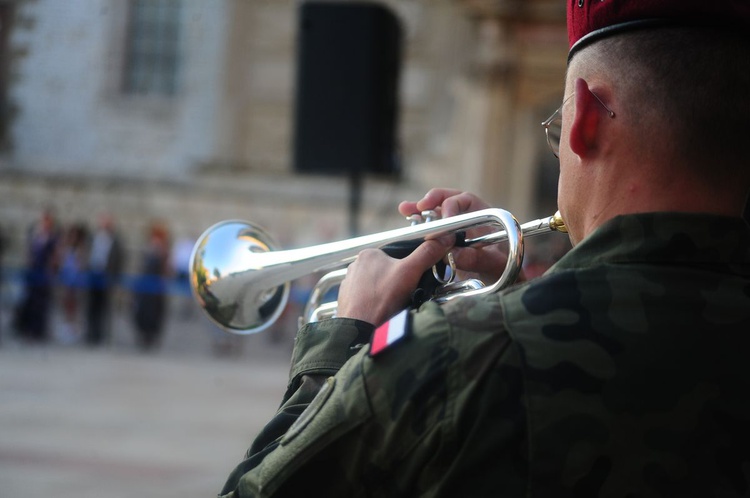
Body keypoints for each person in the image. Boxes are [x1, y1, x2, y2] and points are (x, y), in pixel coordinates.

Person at [219, 1, 750, 496]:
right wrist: (532, 296)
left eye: (556, 128)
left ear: (585, 118)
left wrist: (342, 344)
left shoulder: (453, 360)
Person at [13, 208, 60, 343]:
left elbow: (55, 258)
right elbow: (30, 253)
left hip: (44, 276)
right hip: (33, 274)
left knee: (41, 306)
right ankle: (27, 329)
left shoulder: (53, 238)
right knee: (30, 303)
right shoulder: (35, 236)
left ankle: (38, 331)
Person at [85, 213, 124, 346]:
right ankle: (91, 334)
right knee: (91, 307)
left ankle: (103, 336)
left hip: (106, 278)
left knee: (105, 309)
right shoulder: (93, 238)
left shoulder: (116, 241)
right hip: (93, 276)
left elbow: (119, 260)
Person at [132, 221, 170, 351]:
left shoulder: (163, 253)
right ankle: (143, 336)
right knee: (143, 313)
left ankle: (151, 337)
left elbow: (166, 271)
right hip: (145, 290)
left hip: (156, 291)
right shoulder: (147, 250)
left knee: (154, 315)